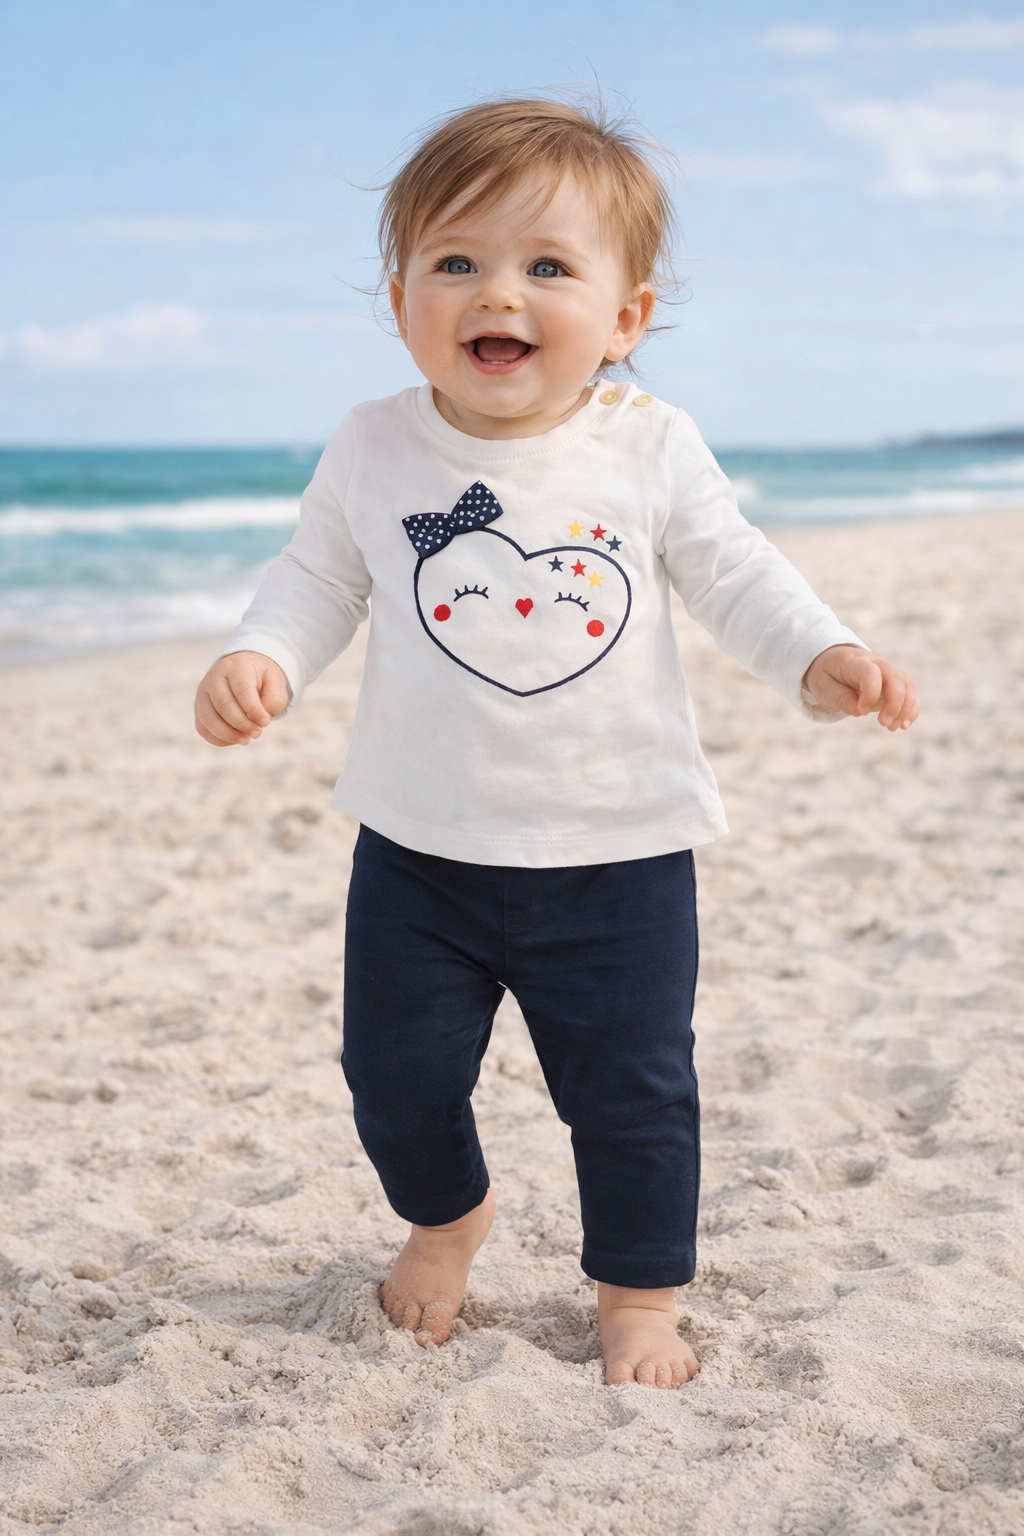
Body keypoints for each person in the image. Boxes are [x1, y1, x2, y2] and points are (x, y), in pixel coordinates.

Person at [193, 96, 920, 1390]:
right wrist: (263, 658)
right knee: (391, 1073)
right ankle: (448, 1214)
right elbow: (317, 579)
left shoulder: (646, 446)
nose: (498, 293)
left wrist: (822, 655)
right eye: (456, 261)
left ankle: (638, 1295)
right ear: (402, 291)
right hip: (419, 853)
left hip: (622, 855)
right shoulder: (372, 445)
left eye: (547, 266)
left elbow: (735, 573)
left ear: (626, 317)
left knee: (634, 1096)